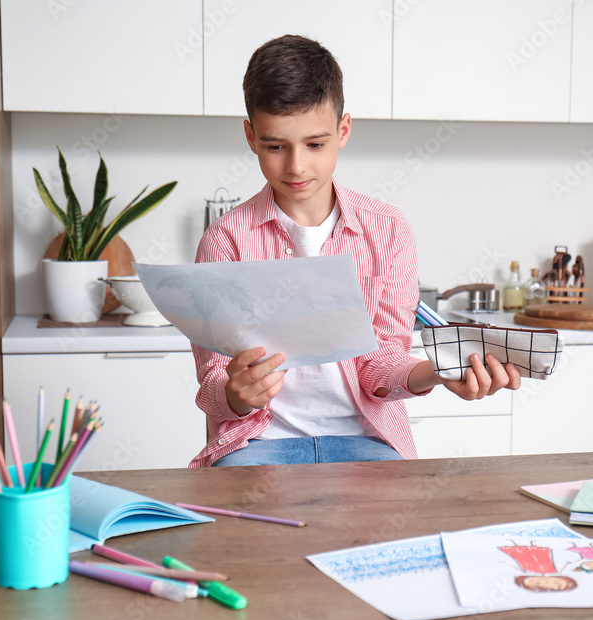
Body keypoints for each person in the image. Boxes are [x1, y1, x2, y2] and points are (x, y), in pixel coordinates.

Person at [189, 35, 521, 468]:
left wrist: (439, 374)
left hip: (366, 441)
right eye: (275, 146)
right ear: (251, 136)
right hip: (257, 445)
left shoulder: (387, 229)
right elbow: (212, 380)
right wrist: (234, 393)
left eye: (315, 144)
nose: (296, 166)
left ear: (343, 131)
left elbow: (381, 363)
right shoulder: (225, 240)